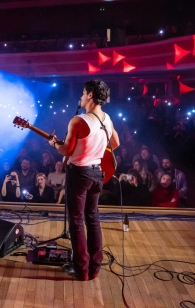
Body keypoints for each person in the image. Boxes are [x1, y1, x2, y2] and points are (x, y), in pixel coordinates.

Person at [49, 79, 120, 281]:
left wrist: (54, 144)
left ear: (90, 95)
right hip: (97, 173)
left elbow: (66, 150)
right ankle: (94, 268)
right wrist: (94, 149)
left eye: (82, 92)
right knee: (93, 219)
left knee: (77, 222)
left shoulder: (79, 121)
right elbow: (115, 142)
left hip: (79, 174)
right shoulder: (107, 119)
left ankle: (81, 270)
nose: (80, 96)